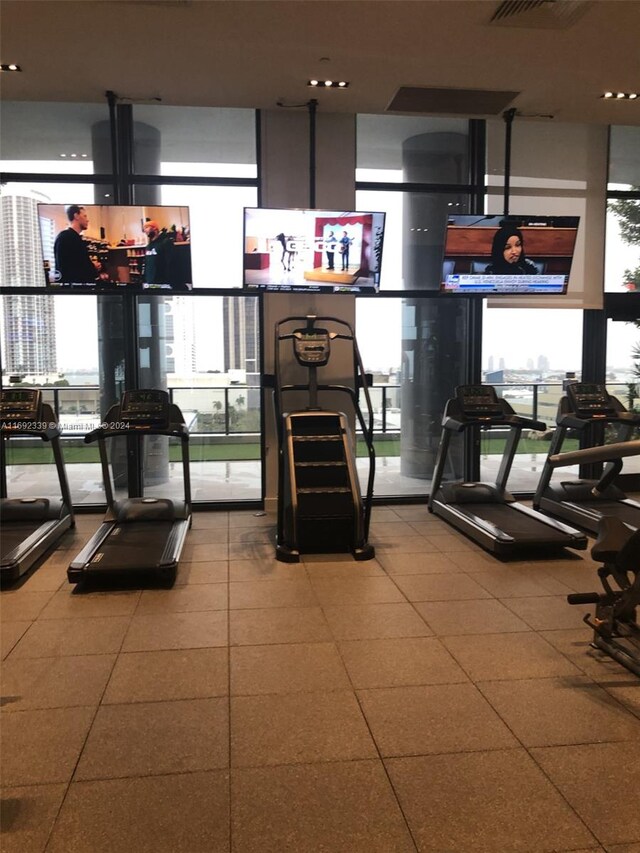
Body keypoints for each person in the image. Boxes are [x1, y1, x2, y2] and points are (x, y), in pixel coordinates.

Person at [53, 204, 100, 283]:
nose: (87, 220)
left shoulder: (74, 238)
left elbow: (77, 262)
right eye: (85, 216)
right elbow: (68, 269)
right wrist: (93, 267)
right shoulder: (66, 237)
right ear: (76, 216)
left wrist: (91, 266)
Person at [142, 220, 174, 285]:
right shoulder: (148, 246)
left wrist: (169, 281)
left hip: (162, 282)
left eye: (147, 227)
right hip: (149, 282)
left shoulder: (166, 242)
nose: (145, 230)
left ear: (155, 228)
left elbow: (170, 263)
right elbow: (147, 265)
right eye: (144, 228)